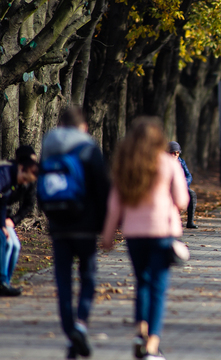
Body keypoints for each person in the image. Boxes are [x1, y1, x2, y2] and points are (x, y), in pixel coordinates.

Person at [102, 117, 189, 360]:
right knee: (158, 288)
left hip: (134, 233)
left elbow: (114, 204)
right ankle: (152, 345)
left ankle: (140, 330)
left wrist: (108, 235)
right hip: (162, 232)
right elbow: (182, 200)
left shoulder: (126, 164)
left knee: (142, 281)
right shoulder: (168, 163)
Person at [40, 108, 110, 358]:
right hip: (85, 226)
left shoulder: (49, 145)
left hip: (59, 225)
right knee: (88, 278)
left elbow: (43, 183)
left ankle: (71, 333)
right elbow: (102, 188)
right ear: (83, 127)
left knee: (63, 281)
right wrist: (105, 227)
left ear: (61, 124)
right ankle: (80, 324)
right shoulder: (89, 148)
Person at [0, 146, 39, 297]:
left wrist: (11, 221)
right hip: (2, 217)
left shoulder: (30, 178)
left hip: (5, 217)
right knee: (5, 242)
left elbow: (27, 204)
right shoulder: (6, 173)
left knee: (14, 245)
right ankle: (3, 281)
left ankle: (5, 282)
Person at [168, 141, 199, 228]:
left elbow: (189, 175)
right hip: (167, 188)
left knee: (192, 194)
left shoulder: (181, 162)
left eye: (177, 152)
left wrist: (184, 184)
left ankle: (190, 222)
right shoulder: (163, 163)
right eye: (172, 152)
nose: (175, 154)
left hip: (181, 187)